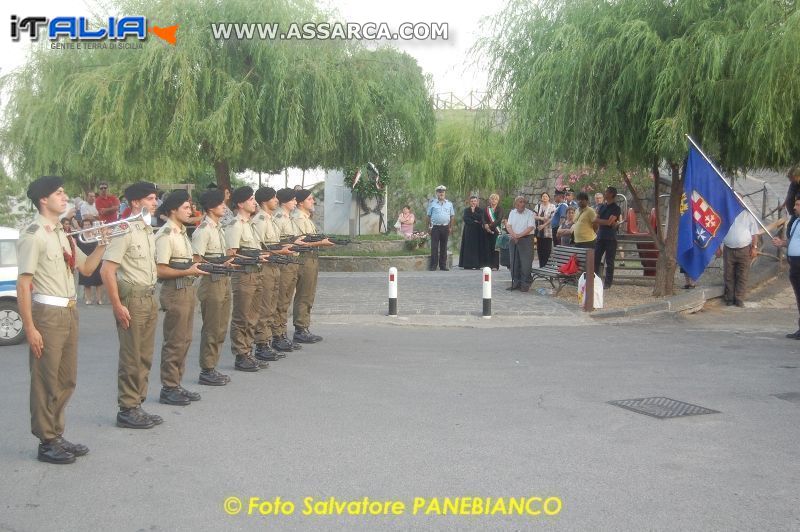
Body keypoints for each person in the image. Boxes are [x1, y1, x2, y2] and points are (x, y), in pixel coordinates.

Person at [17, 176, 107, 464]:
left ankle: (56, 432)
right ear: (44, 199)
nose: (64, 196)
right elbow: (23, 284)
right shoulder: (35, 234)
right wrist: (30, 327)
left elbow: (87, 266)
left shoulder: (62, 234)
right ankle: (46, 441)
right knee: (46, 379)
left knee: (66, 378)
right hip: (48, 314)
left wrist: (103, 245)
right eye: (58, 193)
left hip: (69, 311)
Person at [100, 181, 162, 429]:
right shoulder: (124, 229)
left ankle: (137, 404)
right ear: (136, 202)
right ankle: (127, 408)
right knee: (131, 356)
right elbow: (107, 270)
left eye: (155, 198)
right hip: (132, 300)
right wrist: (117, 305)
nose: (154, 203)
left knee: (144, 356)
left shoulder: (146, 230)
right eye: (149, 198)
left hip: (148, 297)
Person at [154, 190, 208, 406]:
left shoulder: (180, 232)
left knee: (184, 340)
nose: (190, 211)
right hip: (175, 291)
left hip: (186, 290)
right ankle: (168, 387)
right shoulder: (166, 235)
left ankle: (176, 383)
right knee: (174, 341)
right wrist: (188, 271)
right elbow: (160, 270)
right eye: (185, 207)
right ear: (173, 210)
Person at [191, 189, 233, 386]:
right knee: (211, 327)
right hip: (211, 282)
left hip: (223, 279)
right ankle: (206, 369)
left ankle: (212, 366)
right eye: (220, 204)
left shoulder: (218, 228)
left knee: (221, 326)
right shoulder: (203, 230)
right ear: (210, 207)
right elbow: (197, 260)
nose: (224, 206)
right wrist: (218, 265)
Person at [225, 186, 268, 372]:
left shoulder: (248, 224)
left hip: (255, 273)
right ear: (241, 203)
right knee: (242, 316)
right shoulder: (235, 225)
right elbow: (231, 256)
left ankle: (248, 351)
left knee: (253, 315)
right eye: (251, 199)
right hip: (243, 275)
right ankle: (240, 354)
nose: (254, 202)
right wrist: (255, 258)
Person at [252, 187, 290, 361]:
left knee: (273, 304)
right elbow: (259, 248)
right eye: (273, 198)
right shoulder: (260, 220)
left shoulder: (270, 220)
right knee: (265, 306)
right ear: (264, 201)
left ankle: (268, 340)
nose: (276, 200)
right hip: (266, 266)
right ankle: (261, 344)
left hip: (275, 265)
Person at [292, 189, 334, 344]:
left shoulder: (306, 218)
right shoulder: (298, 218)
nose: (313, 201)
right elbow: (301, 242)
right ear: (301, 202)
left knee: (308, 294)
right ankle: (300, 329)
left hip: (311, 258)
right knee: (304, 294)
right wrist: (321, 243)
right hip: (304, 258)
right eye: (310, 199)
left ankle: (304, 326)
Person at [272, 188, 304, 352]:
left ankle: (282, 333)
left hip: (292, 261)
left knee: (286, 299)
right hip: (284, 262)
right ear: (284, 201)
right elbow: (275, 243)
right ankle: (277, 335)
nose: (295, 202)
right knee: (281, 299)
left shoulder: (287, 217)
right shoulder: (279, 218)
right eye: (292, 200)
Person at [718, 210, 760, 307]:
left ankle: (739, 298)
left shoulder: (748, 214)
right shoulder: (725, 213)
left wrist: (754, 247)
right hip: (728, 249)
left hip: (744, 249)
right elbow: (718, 231)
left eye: (740, 200)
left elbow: (754, 233)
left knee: (743, 275)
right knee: (728, 274)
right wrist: (718, 247)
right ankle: (729, 298)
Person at [772, 199, 800, 338]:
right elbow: (793, 241)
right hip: (794, 264)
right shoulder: (796, 222)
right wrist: (782, 243)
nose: (794, 208)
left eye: (798, 205)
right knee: (799, 296)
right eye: (795, 204)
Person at [593, 186, 622, 289]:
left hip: (610, 237)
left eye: (606, 192)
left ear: (611, 194)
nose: (604, 194)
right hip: (600, 236)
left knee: (609, 261)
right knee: (595, 259)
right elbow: (596, 220)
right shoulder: (602, 207)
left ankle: (608, 283)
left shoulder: (616, 208)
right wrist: (607, 222)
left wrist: (604, 221)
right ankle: (595, 280)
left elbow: (609, 222)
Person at [506, 196, 535, 292]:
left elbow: (530, 227)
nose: (522, 204)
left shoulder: (530, 214)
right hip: (514, 239)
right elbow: (509, 226)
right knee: (514, 262)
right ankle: (515, 282)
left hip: (526, 239)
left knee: (525, 263)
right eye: (520, 202)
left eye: (523, 202)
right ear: (516, 204)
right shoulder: (512, 212)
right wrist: (514, 235)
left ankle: (525, 284)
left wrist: (519, 236)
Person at [75, 219, 105, 305]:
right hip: (84, 260)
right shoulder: (79, 236)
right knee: (86, 283)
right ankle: (88, 299)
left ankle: (99, 299)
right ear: (83, 226)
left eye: (88, 225)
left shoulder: (96, 235)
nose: (87, 226)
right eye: (85, 225)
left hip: (96, 260)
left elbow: (100, 247)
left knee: (98, 282)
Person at [426, 185, 455, 271]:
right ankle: (433, 265)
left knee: (444, 247)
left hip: (445, 227)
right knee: (434, 247)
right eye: (439, 192)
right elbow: (428, 216)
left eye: (442, 192)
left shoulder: (449, 204)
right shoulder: (432, 203)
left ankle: (443, 265)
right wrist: (429, 227)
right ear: (436, 193)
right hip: (435, 227)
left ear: (445, 193)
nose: (441, 193)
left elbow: (452, 216)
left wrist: (450, 227)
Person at [458, 196, 485, 269]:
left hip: (478, 231)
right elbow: (466, 219)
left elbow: (481, 219)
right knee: (468, 247)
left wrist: (473, 213)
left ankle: (477, 264)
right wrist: (474, 221)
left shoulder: (480, 210)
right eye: (472, 201)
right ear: (470, 202)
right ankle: (468, 264)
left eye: (475, 201)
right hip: (469, 231)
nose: (473, 202)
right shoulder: (466, 210)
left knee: (477, 247)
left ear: (477, 202)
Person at [533, 192, 556, 267]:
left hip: (548, 232)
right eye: (543, 196)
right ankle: (541, 266)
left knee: (547, 250)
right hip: (539, 232)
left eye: (546, 196)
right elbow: (534, 216)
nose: (544, 197)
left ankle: (547, 266)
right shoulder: (538, 206)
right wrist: (541, 218)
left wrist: (544, 225)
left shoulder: (552, 206)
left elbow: (552, 218)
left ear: (549, 198)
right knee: (540, 250)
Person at [482, 193, 503, 270]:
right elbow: (483, 218)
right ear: (489, 200)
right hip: (487, 231)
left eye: (495, 199)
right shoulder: (486, 209)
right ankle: (488, 265)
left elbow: (499, 219)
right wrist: (485, 225)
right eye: (492, 199)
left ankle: (495, 265)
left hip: (496, 230)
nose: (494, 200)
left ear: (498, 201)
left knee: (495, 248)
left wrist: (490, 225)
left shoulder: (500, 209)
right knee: (487, 247)